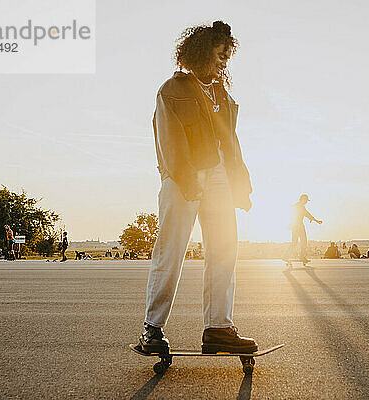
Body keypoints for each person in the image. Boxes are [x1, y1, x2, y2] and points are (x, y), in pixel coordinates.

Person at [138, 21, 258, 356]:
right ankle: (152, 328)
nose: (224, 61)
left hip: (219, 175)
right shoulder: (172, 90)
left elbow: (231, 144)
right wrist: (184, 178)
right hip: (183, 177)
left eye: (227, 56)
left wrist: (242, 185)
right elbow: (168, 139)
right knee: (171, 250)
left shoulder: (222, 95)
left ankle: (218, 327)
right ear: (202, 51)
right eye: (220, 54)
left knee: (224, 248)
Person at [289, 194, 322, 263]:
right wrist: (316, 220)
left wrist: (315, 220)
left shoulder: (296, 206)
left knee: (294, 242)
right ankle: (302, 257)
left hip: (295, 226)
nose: (306, 202)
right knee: (303, 242)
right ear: (302, 199)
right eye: (306, 200)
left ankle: (285, 256)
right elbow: (307, 214)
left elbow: (306, 214)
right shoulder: (300, 207)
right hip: (299, 226)